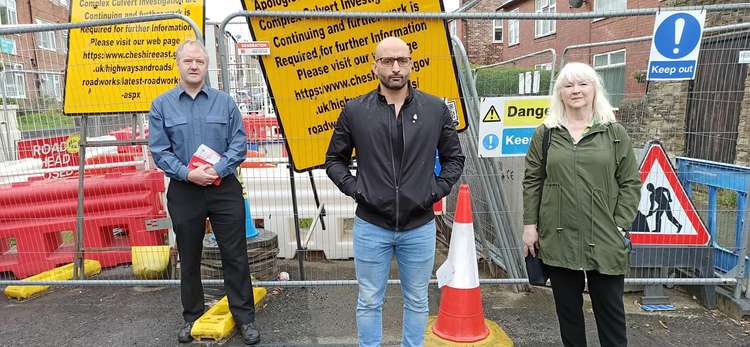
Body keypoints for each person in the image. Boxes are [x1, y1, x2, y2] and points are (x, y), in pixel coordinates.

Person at [325, 36, 465, 347]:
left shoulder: (435, 109)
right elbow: (334, 160)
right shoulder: (355, 111)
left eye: (402, 60)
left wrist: (436, 190)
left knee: (417, 300)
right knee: (369, 300)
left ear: (412, 65)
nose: (396, 67)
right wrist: (356, 189)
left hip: (419, 226)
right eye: (387, 61)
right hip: (371, 225)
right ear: (375, 66)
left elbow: (455, 158)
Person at [522, 62, 642, 347]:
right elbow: (532, 180)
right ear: (560, 93)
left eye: (582, 84)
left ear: (594, 89)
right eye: (568, 85)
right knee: (569, 316)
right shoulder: (547, 133)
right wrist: (530, 226)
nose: (575, 90)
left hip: (604, 236)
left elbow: (630, 182)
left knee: (611, 315)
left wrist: (620, 225)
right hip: (559, 235)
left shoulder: (614, 133)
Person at [149, 39, 260, 345]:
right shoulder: (161, 105)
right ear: (178, 64)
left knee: (235, 255)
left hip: (223, 188)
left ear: (206, 64)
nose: (194, 66)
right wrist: (188, 173)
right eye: (188, 61)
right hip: (185, 191)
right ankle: (192, 316)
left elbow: (239, 143)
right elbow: (160, 151)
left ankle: (245, 317)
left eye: (199, 61)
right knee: (189, 255)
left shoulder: (225, 103)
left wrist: (217, 170)